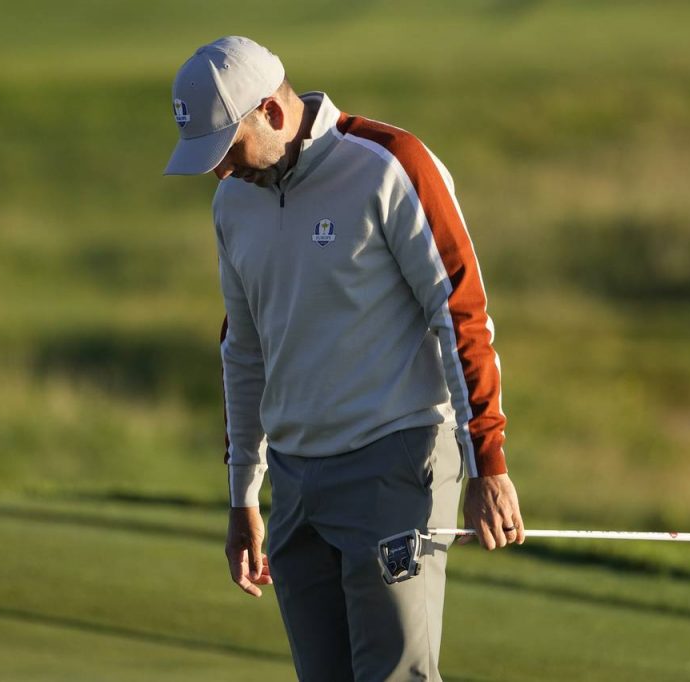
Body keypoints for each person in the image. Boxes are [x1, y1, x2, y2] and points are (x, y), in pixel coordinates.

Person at [164, 36, 524, 682]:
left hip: (394, 462)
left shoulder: (389, 166)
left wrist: (487, 462)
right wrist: (243, 495)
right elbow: (243, 351)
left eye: (227, 150)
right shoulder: (233, 203)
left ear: (272, 112)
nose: (221, 172)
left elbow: (459, 313)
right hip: (295, 482)